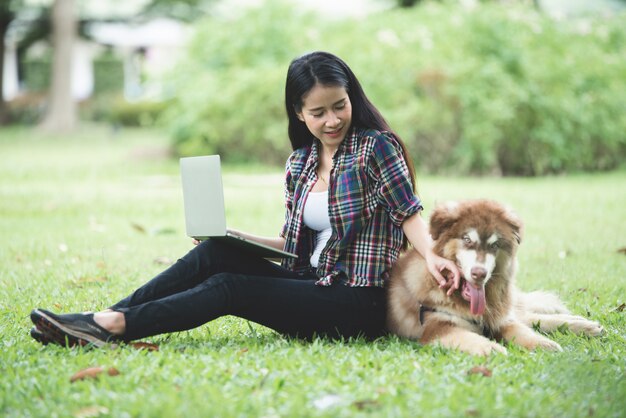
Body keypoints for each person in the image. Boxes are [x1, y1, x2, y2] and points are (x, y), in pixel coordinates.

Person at [30, 51, 460, 348]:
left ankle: (117, 325)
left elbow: (409, 214)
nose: (332, 120)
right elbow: (293, 247)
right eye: (318, 112)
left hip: (356, 300)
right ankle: (97, 320)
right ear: (298, 112)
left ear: (352, 98)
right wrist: (234, 237)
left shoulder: (376, 148)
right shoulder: (300, 164)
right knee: (216, 252)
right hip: (310, 283)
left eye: (339, 106)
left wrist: (433, 256)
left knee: (229, 288)